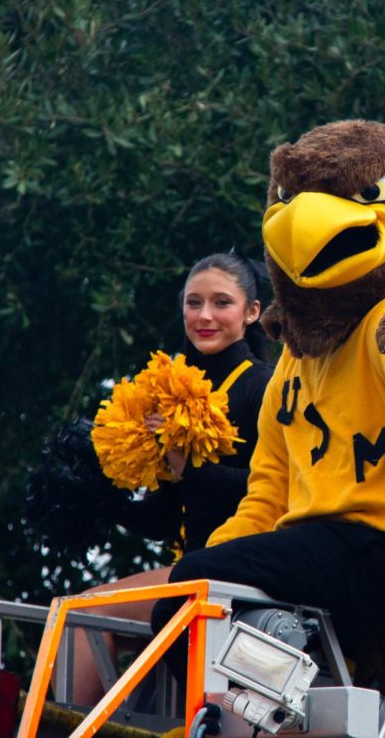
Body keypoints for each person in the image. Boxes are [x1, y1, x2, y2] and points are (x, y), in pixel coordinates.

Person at [71, 252, 274, 704]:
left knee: (80, 612)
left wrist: (190, 467)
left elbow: (276, 489)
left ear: (252, 313)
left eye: (221, 303)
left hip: (243, 573)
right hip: (192, 570)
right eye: (193, 302)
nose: (204, 316)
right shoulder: (168, 392)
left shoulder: (265, 387)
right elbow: (166, 521)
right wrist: (103, 499)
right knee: (77, 613)